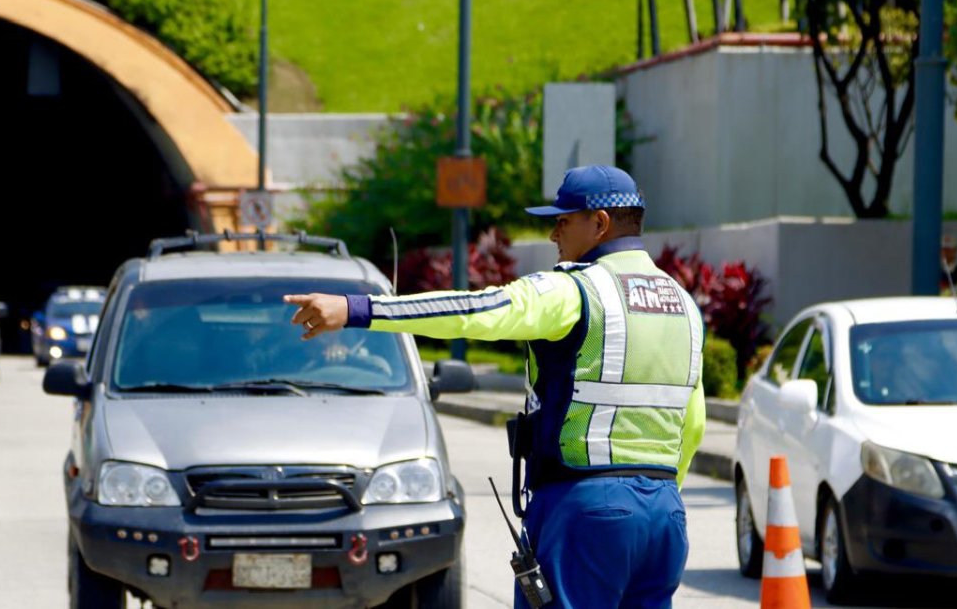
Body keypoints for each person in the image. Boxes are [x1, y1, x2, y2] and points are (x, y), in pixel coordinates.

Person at [285, 165, 706, 608]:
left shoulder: (575, 291)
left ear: (599, 223)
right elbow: (692, 423)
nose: (553, 236)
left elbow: (476, 309)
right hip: (664, 515)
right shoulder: (683, 305)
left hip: (586, 510)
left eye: (562, 221)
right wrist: (653, 490)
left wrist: (357, 310)